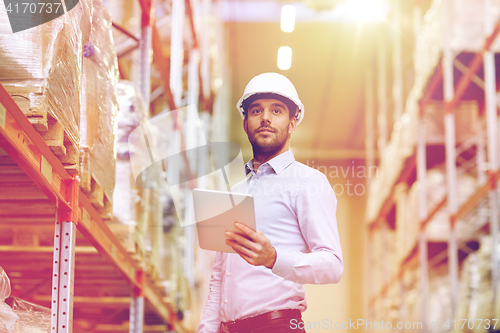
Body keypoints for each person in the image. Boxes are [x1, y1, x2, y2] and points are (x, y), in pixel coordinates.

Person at [198, 73, 343, 333]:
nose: (265, 117)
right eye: (256, 110)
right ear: (245, 123)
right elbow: (219, 276)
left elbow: (333, 266)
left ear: (292, 123)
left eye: (276, 110)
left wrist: (274, 258)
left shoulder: (308, 182)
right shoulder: (234, 193)